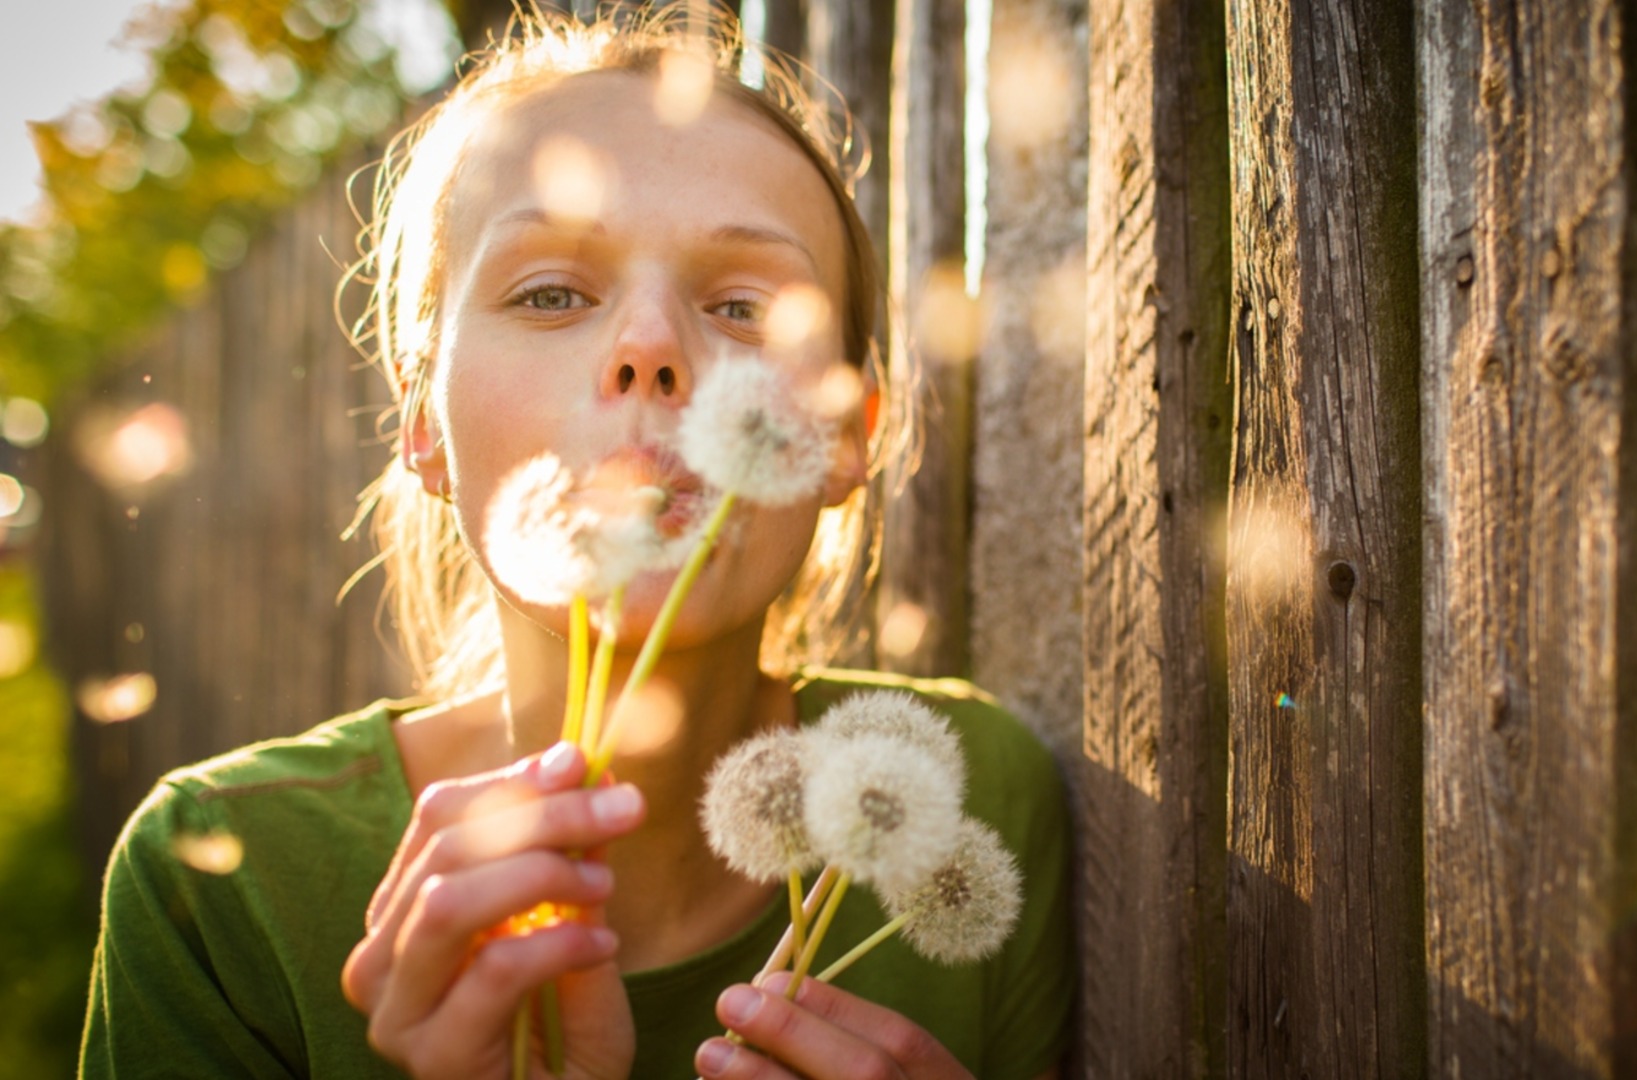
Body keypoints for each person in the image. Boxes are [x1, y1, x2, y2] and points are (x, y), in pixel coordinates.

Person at [79, 5, 1073, 1077]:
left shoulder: (978, 802)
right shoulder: (218, 893)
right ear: (423, 424)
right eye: (549, 292)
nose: (650, 348)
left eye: (743, 308)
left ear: (845, 434)